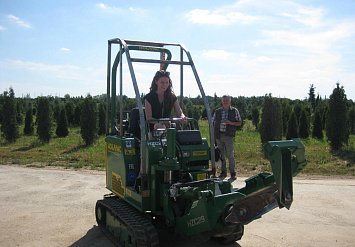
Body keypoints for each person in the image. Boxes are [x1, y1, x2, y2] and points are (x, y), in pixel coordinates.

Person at [145, 70, 187, 138]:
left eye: (166, 82)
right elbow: (149, 118)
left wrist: (182, 117)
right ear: (156, 82)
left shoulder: (172, 97)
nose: (165, 85)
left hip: (168, 128)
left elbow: (179, 112)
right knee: (159, 126)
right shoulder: (149, 97)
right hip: (152, 129)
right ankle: (161, 145)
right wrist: (161, 122)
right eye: (162, 82)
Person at [213, 95, 242, 180]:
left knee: (230, 154)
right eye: (224, 100)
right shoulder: (217, 111)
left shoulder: (234, 111)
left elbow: (239, 122)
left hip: (229, 136)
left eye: (227, 100)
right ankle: (223, 172)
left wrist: (231, 123)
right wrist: (214, 136)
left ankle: (232, 173)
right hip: (219, 135)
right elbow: (213, 123)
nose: (225, 102)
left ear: (230, 102)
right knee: (221, 155)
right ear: (222, 101)